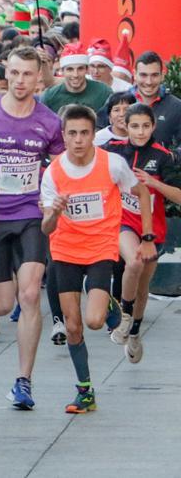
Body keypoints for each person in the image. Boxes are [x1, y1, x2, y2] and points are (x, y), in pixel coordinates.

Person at [0, 47, 63, 409]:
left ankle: (24, 381)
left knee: (31, 294)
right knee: (3, 305)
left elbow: (60, 165)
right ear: (7, 76)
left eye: (27, 75)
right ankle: (11, 301)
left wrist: (49, 196)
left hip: (31, 215)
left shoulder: (50, 121)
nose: (20, 82)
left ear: (39, 78)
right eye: (15, 74)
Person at [40, 104, 152, 414]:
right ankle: (85, 391)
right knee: (74, 326)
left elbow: (141, 193)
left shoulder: (112, 164)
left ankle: (114, 311)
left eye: (84, 133)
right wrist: (56, 211)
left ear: (94, 135)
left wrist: (146, 236)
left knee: (94, 320)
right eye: (72, 133)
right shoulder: (54, 172)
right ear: (63, 136)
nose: (78, 140)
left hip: (102, 247)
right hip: (64, 251)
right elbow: (45, 227)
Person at [104, 103, 181, 363]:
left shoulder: (162, 156)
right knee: (134, 260)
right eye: (135, 126)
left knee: (144, 284)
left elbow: (179, 196)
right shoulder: (112, 151)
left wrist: (154, 183)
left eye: (146, 126)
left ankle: (135, 331)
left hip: (153, 226)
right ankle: (125, 316)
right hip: (122, 221)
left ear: (154, 127)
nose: (140, 132)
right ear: (125, 126)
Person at [41, 43, 112, 113]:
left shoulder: (104, 92)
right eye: (70, 69)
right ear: (62, 71)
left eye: (80, 69)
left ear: (87, 70)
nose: (75, 75)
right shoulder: (50, 97)